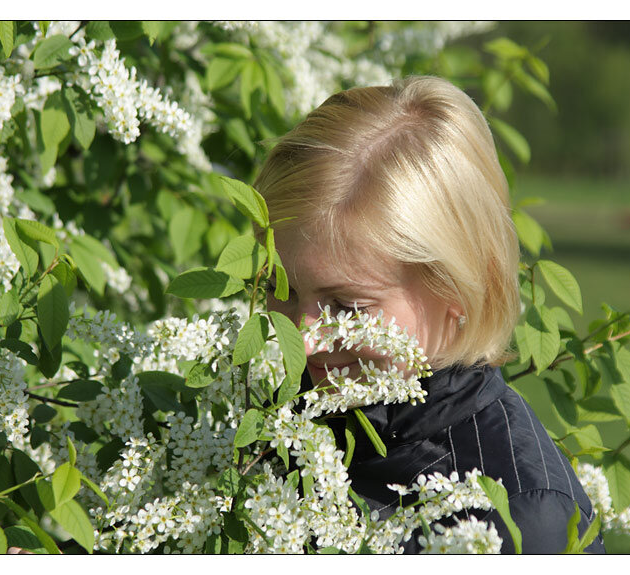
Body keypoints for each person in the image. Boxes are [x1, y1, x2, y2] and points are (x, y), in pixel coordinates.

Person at [253, 75, 605, 554]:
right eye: (280, 288)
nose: (304, 340)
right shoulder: (257, 410)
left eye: (347, 306)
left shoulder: (518, 519)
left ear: (456, 287)